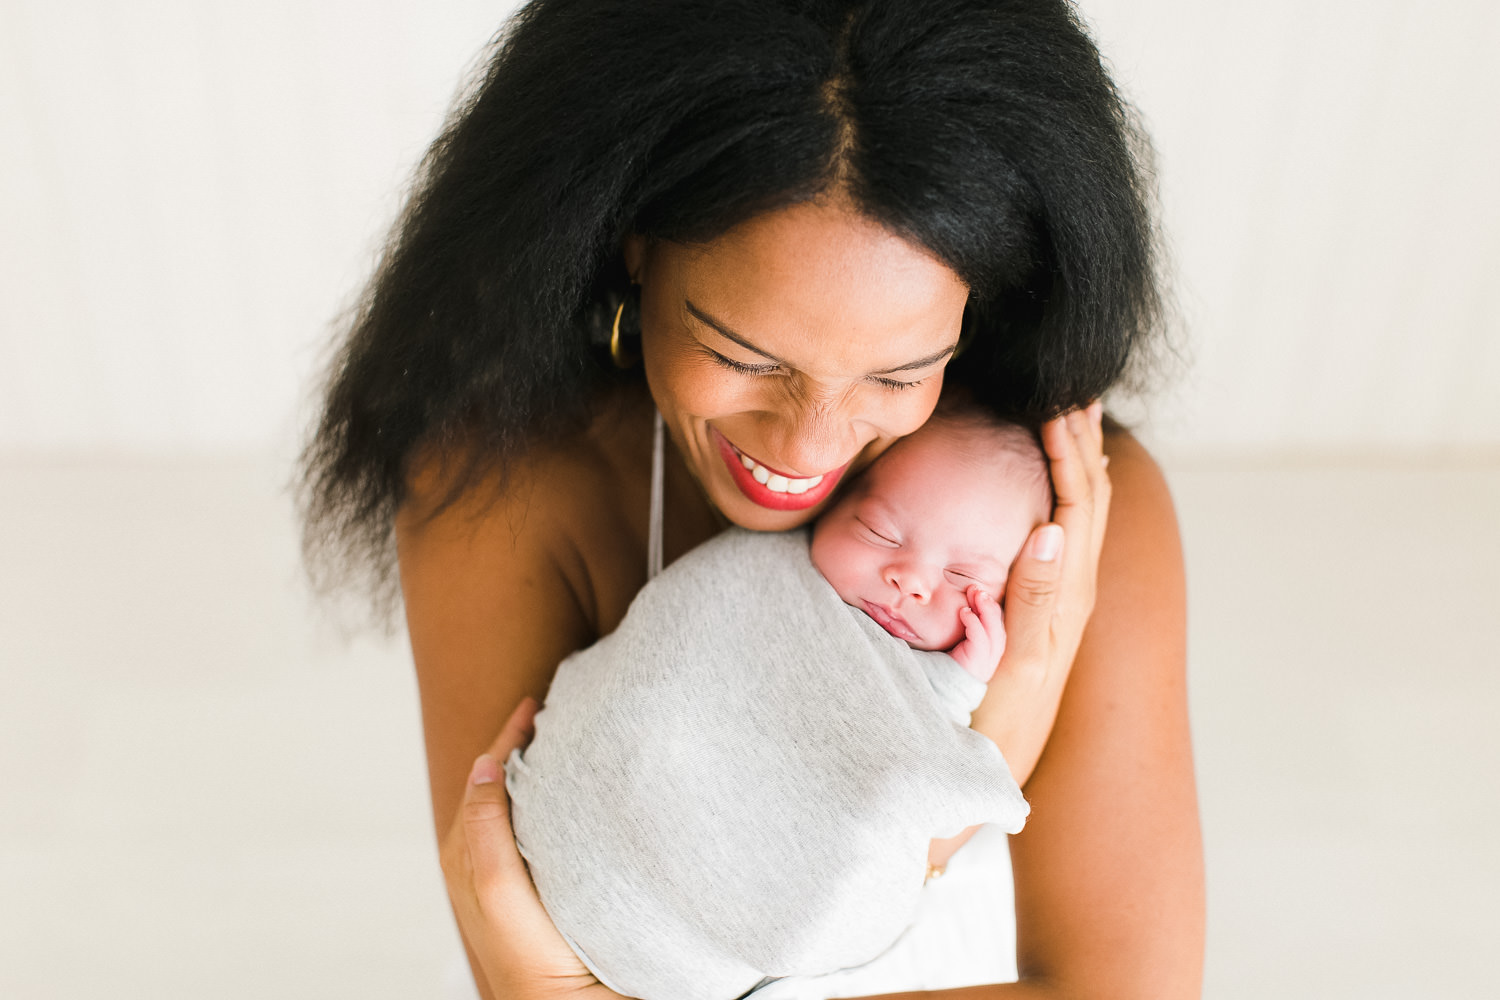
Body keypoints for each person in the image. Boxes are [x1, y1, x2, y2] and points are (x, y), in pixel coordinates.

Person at [299, 1, 1204, 998]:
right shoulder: (504, 481)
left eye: (898, 374)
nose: (807, 445)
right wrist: (1005, 726)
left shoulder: (1058, 529)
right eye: (741, 354)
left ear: (979, 311)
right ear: (631, 246)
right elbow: (523, 936)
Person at [505, 411, 1049, 1000]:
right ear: (831, 504)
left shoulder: (930, 672)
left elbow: (915, 742)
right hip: (575, 841)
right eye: (880, 531)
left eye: (965, 578)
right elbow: (660, 677)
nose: (909, 580)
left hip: (694, 951)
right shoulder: (763, 573)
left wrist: (964, 680)